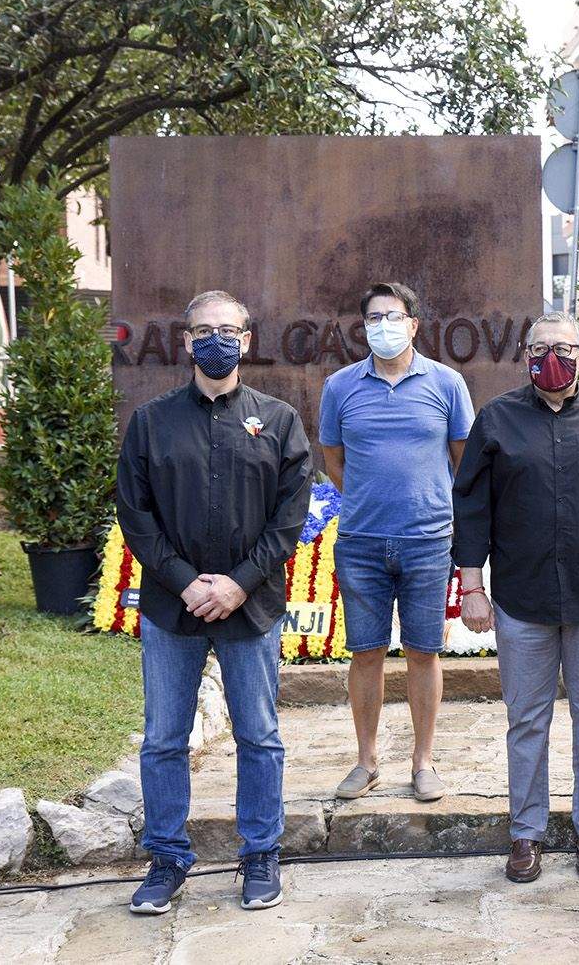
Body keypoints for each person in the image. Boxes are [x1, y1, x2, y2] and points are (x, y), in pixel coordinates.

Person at [116, 290, 311, 913]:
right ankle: (168, 859)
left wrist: (237, 582)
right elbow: (135, 514)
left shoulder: (278, 420)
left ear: (247, 339)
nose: (215, 340)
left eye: (226, 329)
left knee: (259, 735)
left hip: (249, 607)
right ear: (186, 341)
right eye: (203, 331)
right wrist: (185, 581)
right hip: (173, 610)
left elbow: (289, 518)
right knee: (164, 739)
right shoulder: (151, 421)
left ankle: (260, 856)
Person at [452, 312, 579, 884]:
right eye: (540, 348)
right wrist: (472, 587)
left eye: (564, 348)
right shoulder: (497, 421)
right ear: (525, 356)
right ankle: (526, 835)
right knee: (527, 721)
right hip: (521, 600)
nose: (552, 357)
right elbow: (471, 510)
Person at [320, 282, 474, 805]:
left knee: (423, 652)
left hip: (428, 541)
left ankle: (422, 761)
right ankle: (366, 762)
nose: (383, 324)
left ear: (413, 324)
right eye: (373, 316)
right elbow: (333, 461)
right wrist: (371, 496)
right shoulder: (340, 386)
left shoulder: (447, 384)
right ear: (363, 327)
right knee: (365, 653)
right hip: (361, 542)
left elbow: (463, 460)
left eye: (394, 315)